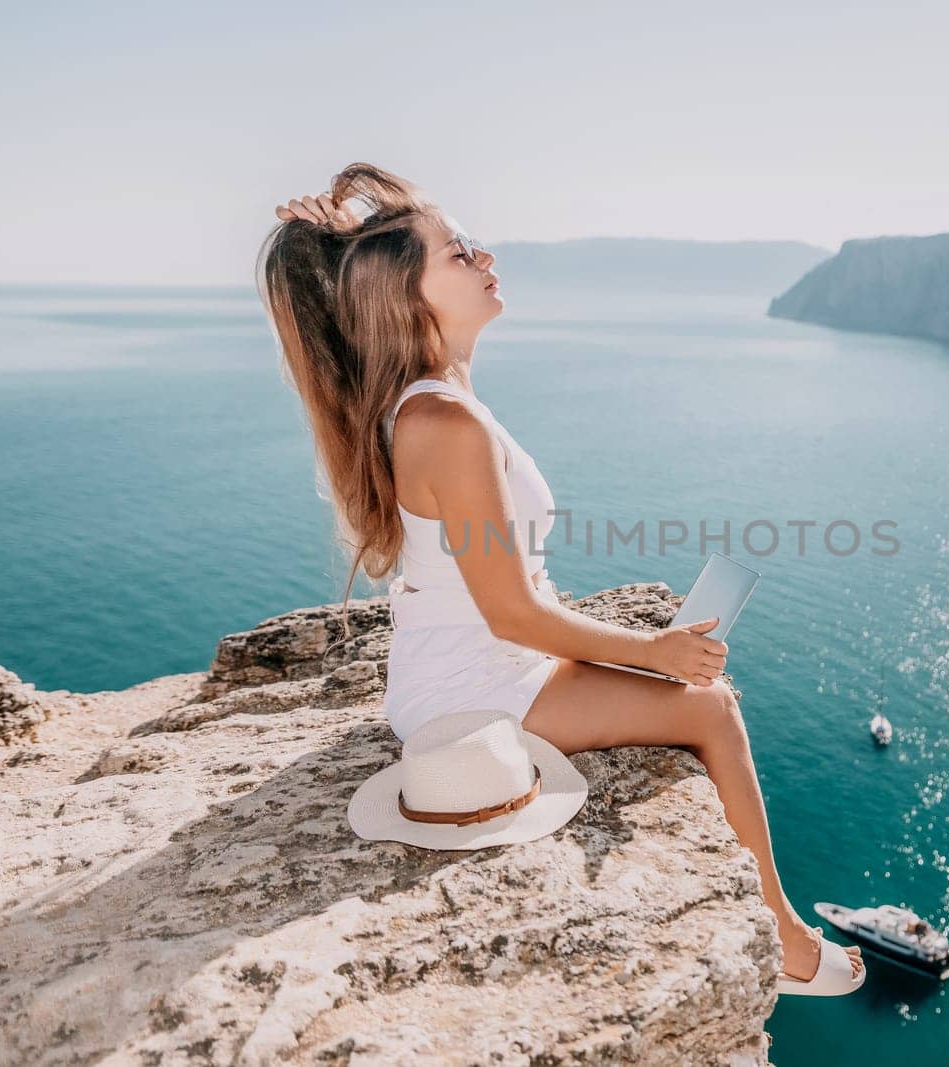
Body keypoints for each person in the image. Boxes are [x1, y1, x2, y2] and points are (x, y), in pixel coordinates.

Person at [261, 162, 862, 992]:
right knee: (711, 708)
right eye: (456, 252)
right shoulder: (443, 419)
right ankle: (786, 937)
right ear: (410, 298)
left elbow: (504, 594)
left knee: (702, 687)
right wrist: (650, 650)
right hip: (472, 685)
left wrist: (335, 236)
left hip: (489, 660)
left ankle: (783, 926)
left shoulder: (440, 399)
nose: (482, 255)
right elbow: (509, 611)